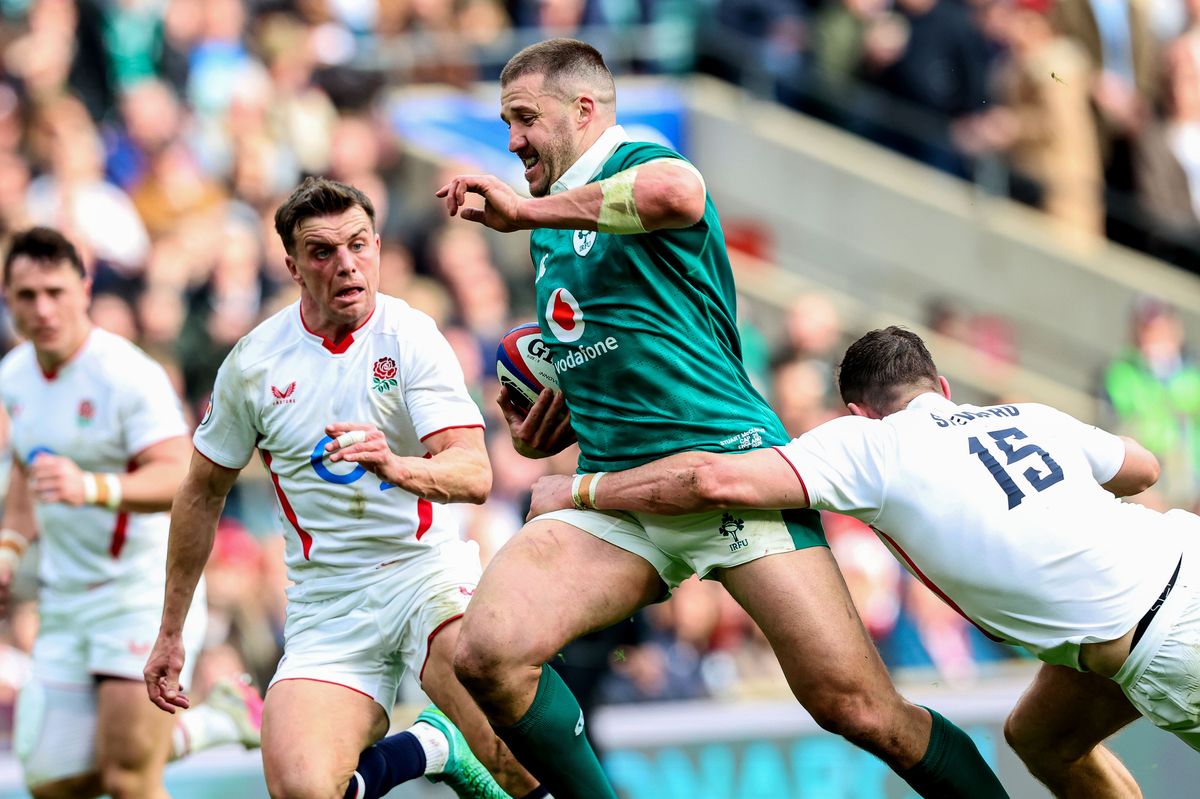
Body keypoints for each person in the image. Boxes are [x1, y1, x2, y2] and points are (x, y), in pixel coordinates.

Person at [437, 38, 1006, 799]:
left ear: (583, 109)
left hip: (729, 471)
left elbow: (680, 194)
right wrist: (550, 425)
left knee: (863, 710)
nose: (511, 141)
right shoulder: (545, 231)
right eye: (504, 122)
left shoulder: (636, 160)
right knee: (487, 651)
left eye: (523, 118)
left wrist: (527, 210)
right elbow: (618, 344)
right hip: (620, 492)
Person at [527, 325, 1194, 796]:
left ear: (855, 411)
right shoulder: (1026, 414)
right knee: (1040, 735)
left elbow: (710, 482)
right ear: (943, 383)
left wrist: (581, 487)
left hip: (1164, 639)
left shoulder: (871, 445)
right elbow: (1144, 468)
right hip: (1173, 560)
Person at [142, 177, 547, 799]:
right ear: (293, 266)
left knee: (510, 763)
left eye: (359, 245)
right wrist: (170, 632)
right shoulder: (254, 364)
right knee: (303, 790)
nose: (346, 264)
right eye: (323, 252)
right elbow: (199, 493)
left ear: (379, 246)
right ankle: (429, 746)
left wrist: (396, 466)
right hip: (326, 602)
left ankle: (447, 745)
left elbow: (473, 473)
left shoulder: (410, 336)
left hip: (426, 577)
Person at [0, 226, 262, 799]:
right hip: (65, 598)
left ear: (84, 288)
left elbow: (181, 477)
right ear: (7, 298)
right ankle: (214, 724)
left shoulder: (126, 374)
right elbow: (25, 466)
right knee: (50, 782)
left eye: (55, 291)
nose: (42, 308)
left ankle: (198, 728)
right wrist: (9, 549)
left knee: (128, 779)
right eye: (26, 295)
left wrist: (92, 488)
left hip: (137, 592)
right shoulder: (14, 376)